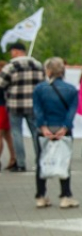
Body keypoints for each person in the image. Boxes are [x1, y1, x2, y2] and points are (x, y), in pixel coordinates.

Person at [32, 57, 79, 209]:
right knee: (64, 160)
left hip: (45, 129)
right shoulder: (71, 89)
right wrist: (65, 127)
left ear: (49, 71)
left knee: (41, 161)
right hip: (62, 129)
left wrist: (43, 127)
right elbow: (72, 112)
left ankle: (41, 195)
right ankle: (65, 196)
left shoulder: (39, 88)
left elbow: (37, 110)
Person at [0, 41, 44, 172]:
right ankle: (40, 161)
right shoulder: (38, 65)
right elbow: (44, 84)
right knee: (36, 133)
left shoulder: (10, 66)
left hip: (15, 105)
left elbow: (1, 84)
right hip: (33, 104)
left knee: (17, 133)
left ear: (16, 51)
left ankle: (20, 163)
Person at [0, 59, 17, 170]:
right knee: (8, 136)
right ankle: (14, 158)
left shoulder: (2, 80)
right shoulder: (9, 80)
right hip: (7, 107)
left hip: (0, 108)